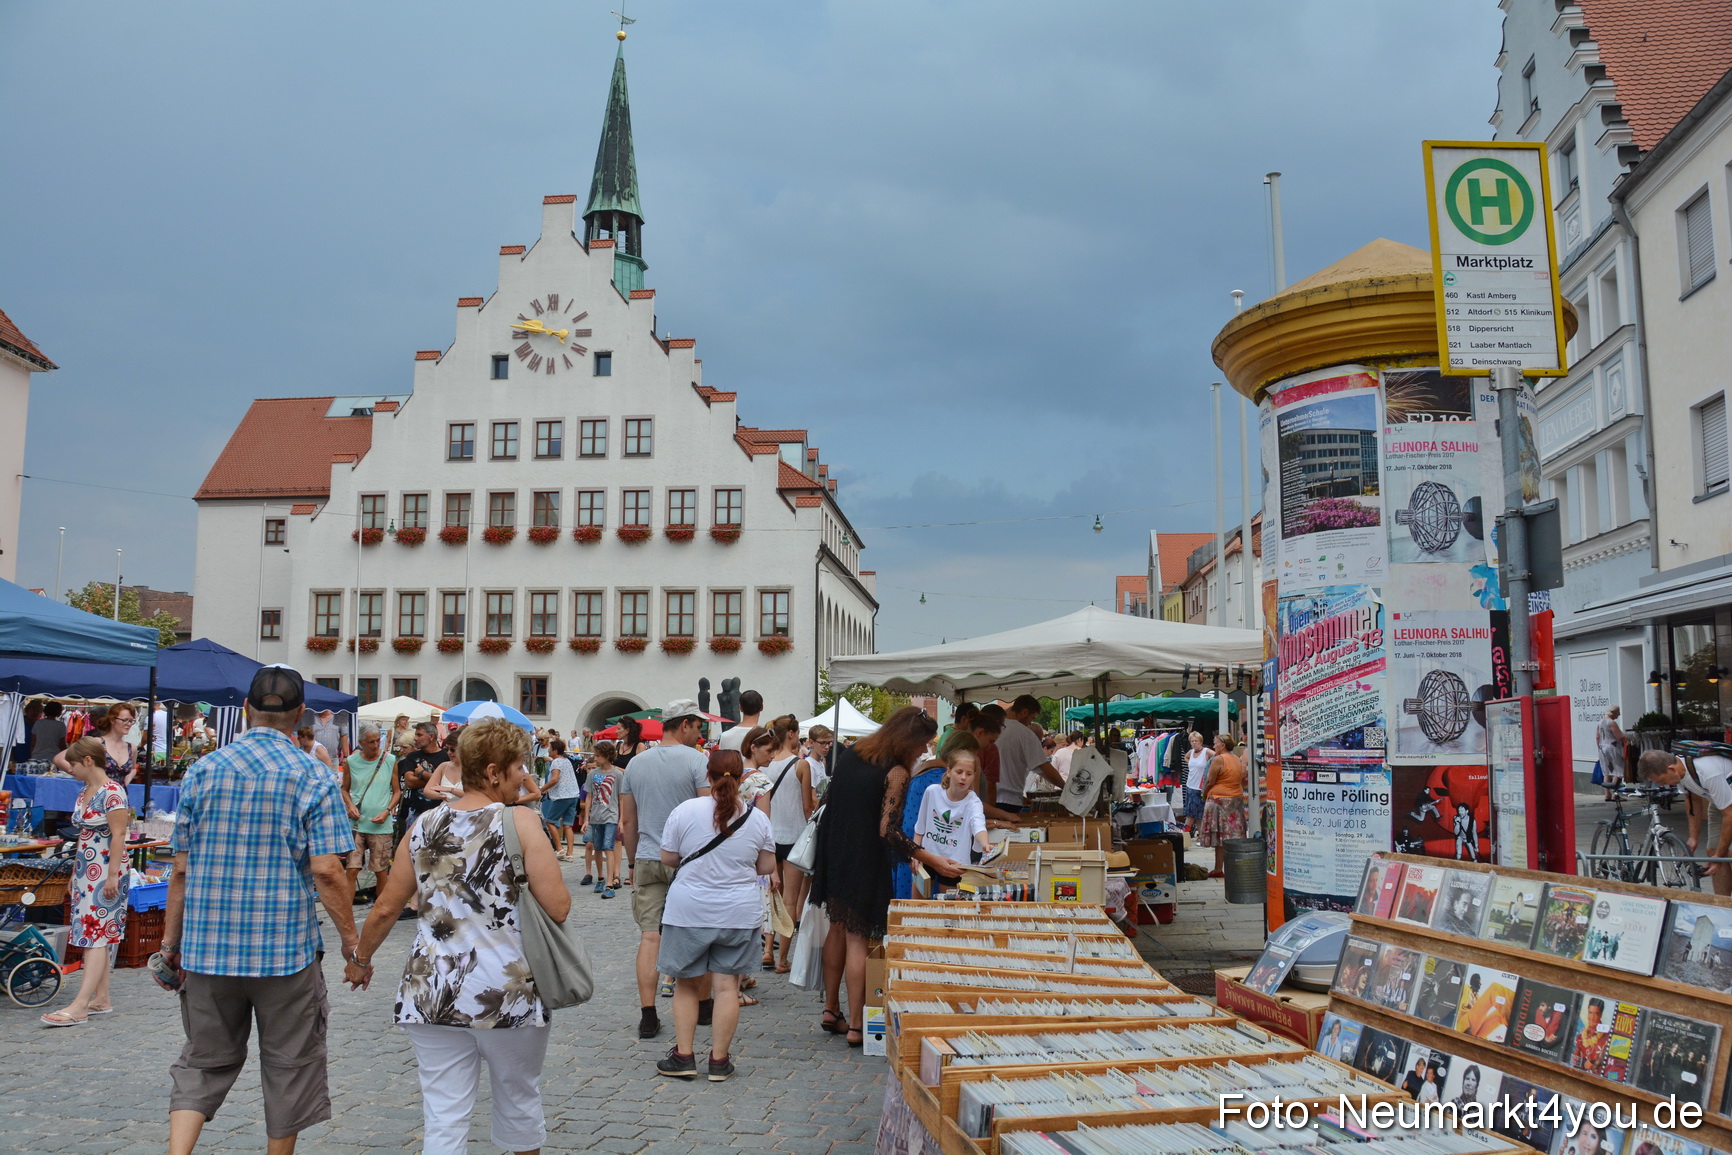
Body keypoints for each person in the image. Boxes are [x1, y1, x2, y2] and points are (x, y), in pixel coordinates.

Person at [348, 716, 570, 1155]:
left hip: (431, 987)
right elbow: (558, 907)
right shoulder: (521, 822)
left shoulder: (425, 825)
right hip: (506, 989)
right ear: (493, 772)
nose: (521, 777)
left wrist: (360, 959)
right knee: (518, 1099)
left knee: (444, 1113)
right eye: (517, 768)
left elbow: (388, 906)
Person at [161, 666, 359, 1155]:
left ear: (247, 710)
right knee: (290, 1061)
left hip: (207, 947)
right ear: (298, 717)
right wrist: (352, 942)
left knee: (202, 1059)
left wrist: (170, 944)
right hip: (283, 949)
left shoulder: (203, 770)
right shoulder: (312, 773)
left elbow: (180, 870)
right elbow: (328, 871)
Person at [810, 707, 961, 1046]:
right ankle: (858, 1025)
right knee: (857, 939)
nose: (924, 751)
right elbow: (888, 831)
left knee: (836, 927)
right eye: (923, 744)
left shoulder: (854, 752)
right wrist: (930, 858)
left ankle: (831, 1009)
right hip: (863, 857)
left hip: (834, 850)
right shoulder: (895, 772)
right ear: (908, 740)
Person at [653, 748, 777, 1081]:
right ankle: (719, 1062)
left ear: (708, 776)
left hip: (688, 911)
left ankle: (684, 1056)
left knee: (687, 987)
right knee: (726, 989)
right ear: (741, 778)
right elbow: (766, 866)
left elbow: (667, 857)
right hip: (738, 913)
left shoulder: (685, 811)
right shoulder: (758, 819)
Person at [619, 700, 711, 1040]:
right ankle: (701, 1005)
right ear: (684, 724)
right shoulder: (697, 761)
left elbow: (628, 820)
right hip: (687, 859)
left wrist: (630, 862)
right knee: (695, 932)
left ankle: (648, 1014)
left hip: (646, 855)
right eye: (698, 727)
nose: (699, 733)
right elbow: (707, 814)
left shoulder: (636, 765)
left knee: (650, 936)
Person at [39, 736, 132, 1026]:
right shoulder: (85, 791)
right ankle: (101, 999)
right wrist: (75, 874)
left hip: (106, 871)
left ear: (89, 761)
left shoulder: (113, 792)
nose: (70, 769)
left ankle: (80, 1005)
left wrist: (113, 874)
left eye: (75, 764)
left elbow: (119, 835)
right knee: (95, 935)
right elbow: (84, 836)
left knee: (95, 936)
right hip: (87, 870)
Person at [1639, 747, 1732, 896]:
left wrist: (1720, 856)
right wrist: (1693, 838)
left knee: (1726, 854)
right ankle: (1722, 907)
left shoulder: (1707, 771)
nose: (1663, 786)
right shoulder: (1680, 770)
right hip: (1719, 799)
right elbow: (1693, 799)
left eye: (1662, 781)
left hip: (1727, 802)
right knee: (1713, 851)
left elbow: (1730, 815)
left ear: (1671, 769)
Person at [768, 722, 819, 971]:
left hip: (770, 837)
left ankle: (767, 950)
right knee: (790, 900)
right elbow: (807, 806)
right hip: (795, 838)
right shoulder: (802, 764)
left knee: (771, 897)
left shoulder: (766, 764)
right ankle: (782, 959)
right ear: (791, 734)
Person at [341, 724, 400, 904]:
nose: (375, 745)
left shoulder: (389, 760)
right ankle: (347, 909)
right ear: (361, 743)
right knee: (351, 869)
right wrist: (350, 805)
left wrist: (387, 811)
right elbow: (344, 789)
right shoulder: (351, 761)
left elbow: (397, 791)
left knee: (380, 869)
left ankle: (380, 909)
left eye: (377, 741)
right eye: (371, 742)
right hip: (357, 823)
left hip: (380, 824)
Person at [996, 696, 1062, 812]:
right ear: (1024, 712)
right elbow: (1044, 767)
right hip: (1009, 802)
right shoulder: (1024, 733)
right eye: (1032, 718)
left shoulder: (994, 727)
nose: (1030, 722)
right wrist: (1066, 788)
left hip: (990, 798)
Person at [1198, 733, 1246, 878]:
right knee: (1233, 834)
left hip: (1219, 800)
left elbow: (1210, 781)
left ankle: (1219, 868)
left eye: (1215, 743)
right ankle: (1235, 867)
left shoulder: (1218, 759)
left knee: (1220, 836)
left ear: (1223, 745)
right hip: (1236, 799)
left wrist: (1204, 794)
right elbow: (1242, 776)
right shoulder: (1237, 759)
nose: (1213, 746)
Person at [396, 722, 448, 838]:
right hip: (416, 812)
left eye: (419, 735)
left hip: (440, 814)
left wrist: (421, 773)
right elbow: (410, 782)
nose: (415, 738)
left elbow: (446, 782)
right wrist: (436, 778)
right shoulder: (412, 757)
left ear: (431, 737)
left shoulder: (446, 758)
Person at [585, 741, 624, 896]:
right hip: (596, 816)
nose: (596, 759)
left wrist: (621, 820)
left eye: (598, 756)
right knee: (598, 848)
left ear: (607, 756)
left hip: (611, 815)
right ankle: (601, 877)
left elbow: (621, 798)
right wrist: (586, 819)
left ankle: (609, 882)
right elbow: (589, 796)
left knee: (609, 847)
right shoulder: (592, 774)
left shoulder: (617, 774)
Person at [542, 737, 583, 861]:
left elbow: (554, 779)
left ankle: (559, 848)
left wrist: (542, 789)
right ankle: (570, 854)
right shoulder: (567, 760)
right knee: (568, 825)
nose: (548, 751)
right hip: (573, 795)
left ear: (555, 751)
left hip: (562, 796)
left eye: (550, 749)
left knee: (550, 821)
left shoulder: (556, 762)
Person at [1597, 706, 1628, 800]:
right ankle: (1615, 794)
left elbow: (1597, 737)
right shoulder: (1611, 723)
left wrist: (1599, 747)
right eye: (1618, 712)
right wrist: (1626, 749)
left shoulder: (1600, 722)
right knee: (1618, 771)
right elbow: (1621, 738)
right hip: (1612, 748)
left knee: (1606, 772)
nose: (1619, 714)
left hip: (1602, 748)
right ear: (1613, 712)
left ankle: (1607, 794)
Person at [1183, 732, 1210, 830]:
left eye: (1196, 741)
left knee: (1194, 814)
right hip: (1190, 785)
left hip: (1200, 787)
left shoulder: (1206, 751)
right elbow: (1185, 757)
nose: (1194, 743)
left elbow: (1217, 757)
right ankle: (1200, 835)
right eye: (1192, 741)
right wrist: (1189, 762)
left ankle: (1185, 834)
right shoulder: (1191, 752)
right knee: (1194, 813)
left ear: (1201, 742)